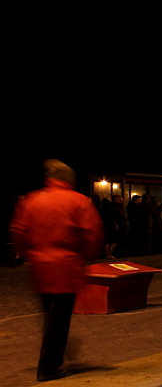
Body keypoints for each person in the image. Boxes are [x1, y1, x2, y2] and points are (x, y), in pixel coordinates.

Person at [10, 159, 104, 382]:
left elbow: (19, 231)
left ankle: (53, 359)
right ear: (68, 179)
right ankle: (48, 367)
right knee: (59, 320)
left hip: (40, 267)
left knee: (50, 316)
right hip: (66, 267)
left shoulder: (33, 200)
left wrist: (26, 254)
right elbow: (92, 234)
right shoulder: (78, 201)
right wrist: (85, 256)